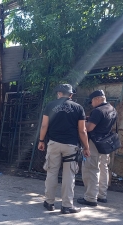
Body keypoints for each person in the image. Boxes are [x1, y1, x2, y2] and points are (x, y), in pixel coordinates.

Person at [38, 84, 90, 214]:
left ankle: (49, 202)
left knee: (51, 172)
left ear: (59, 93)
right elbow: (82, 131)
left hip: (54, 143)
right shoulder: (78, 108)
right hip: (71, 146)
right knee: (69, 175)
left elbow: (44, 125)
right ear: (71, 95)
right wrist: (86, 147)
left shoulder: (50, 106)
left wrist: (41, 140)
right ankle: (67, 205)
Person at [78, 90, 117, 206]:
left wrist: (81, 123)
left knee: (91, 169)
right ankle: (102, 195)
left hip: (94, 143)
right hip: (106, 144)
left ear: (97, 99)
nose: (91, 104)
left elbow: (89, 128)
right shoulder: (112, 109)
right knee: (103, 168)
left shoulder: (98, 111)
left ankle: (90, 197)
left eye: (92, 101)